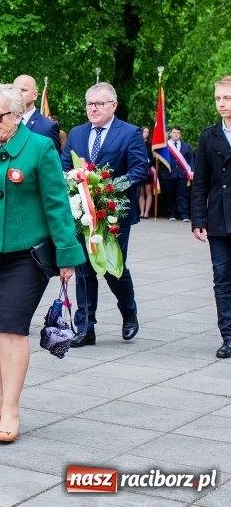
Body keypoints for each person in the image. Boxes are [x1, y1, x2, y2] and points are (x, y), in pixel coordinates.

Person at [0, 83, 83, 443]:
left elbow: (56, 204)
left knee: (11, 328)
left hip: (26, 254)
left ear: (18, 115)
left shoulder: (40, 148)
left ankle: (11, 408)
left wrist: (67, 255)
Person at [61, 82, 148, 347]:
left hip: (114, 214)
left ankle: (129, 311)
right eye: (90, 104)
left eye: (99, 104)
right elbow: (64, 167)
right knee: (84, 269)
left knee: (113, 268)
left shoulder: (130, 133)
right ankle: (86, 327)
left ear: (113, 105)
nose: (93, 109)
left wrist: (106, 191)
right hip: (82, 213)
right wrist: (73, 186)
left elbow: (138, 171)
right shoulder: (77, 133)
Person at [191, 75, 231, 359]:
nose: (222, 103)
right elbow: (200, 182)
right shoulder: (209, 135)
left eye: (227, 98)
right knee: (223, 279)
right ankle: (228, 336)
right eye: (218, 98)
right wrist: (198, 220)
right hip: (219, 218)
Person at [13, 75, 61, 152]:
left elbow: (53, 161)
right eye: (15, 90)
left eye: (23, 90)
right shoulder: (6, 121)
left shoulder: (48, 127)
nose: (18, 93)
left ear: (34, 95)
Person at [162, 126, 193, 222]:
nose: (176, 134)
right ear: (170, 133)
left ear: (180, 134)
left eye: (178, 133)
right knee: (170, 194)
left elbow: (191, 160)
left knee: (183, 195)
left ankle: (184, 214)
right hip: (169, 174)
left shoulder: (186, 146)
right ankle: (172, 213)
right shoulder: (164, 146)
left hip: (182, 175)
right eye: (174, 132)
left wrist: (192, 171)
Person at [138, 126, 154, 219]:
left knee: (148, 192)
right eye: (144, 132)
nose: (146, 134)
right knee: (141, 192)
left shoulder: (151, 145)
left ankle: (146, 212)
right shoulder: (138, 144)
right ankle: (141, 212)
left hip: (149, 170)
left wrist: (148, 166)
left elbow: (154, 157)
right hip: (140, 170)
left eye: (148, 132)